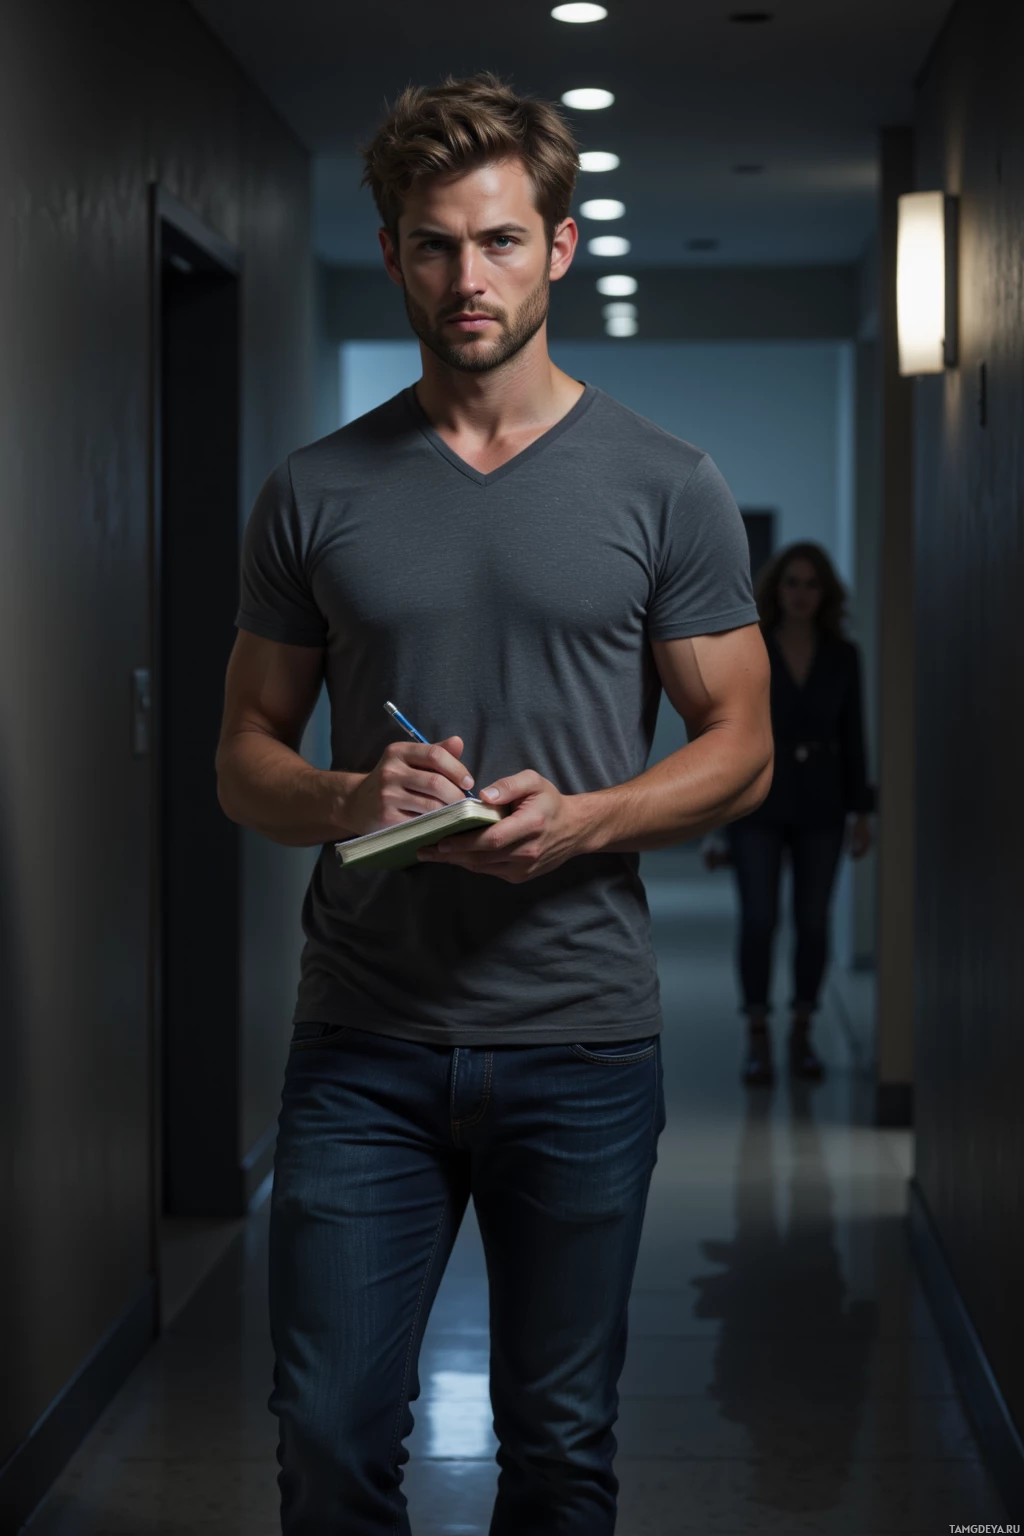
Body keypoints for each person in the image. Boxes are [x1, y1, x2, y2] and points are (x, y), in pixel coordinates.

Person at [215, 73, 772, 1536]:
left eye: (502, 241)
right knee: (327, 1440)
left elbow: (741, 747)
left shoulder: (668, 486)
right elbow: (242, 758)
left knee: (560, 1449)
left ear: (561, 248)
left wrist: (585, 820)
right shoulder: (314, 491)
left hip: (582, 1037)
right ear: (396, 255)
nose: (470, 278)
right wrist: (348, 791)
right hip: (363, 1045)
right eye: (435, 245)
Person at [705, 542, 873, 1087]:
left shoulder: (843, 655)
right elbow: (726, 731)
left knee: (813, 920)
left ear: (826, 594)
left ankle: (802, 1027)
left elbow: (854, 737)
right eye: (792, 583)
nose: (801, 593)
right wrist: (715, 811)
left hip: (823, 801)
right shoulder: (752, 647)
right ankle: (757, 1033)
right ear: (777, 589)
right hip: (759, 799)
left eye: (812, 584)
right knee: (759, 920)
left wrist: (862, 811)